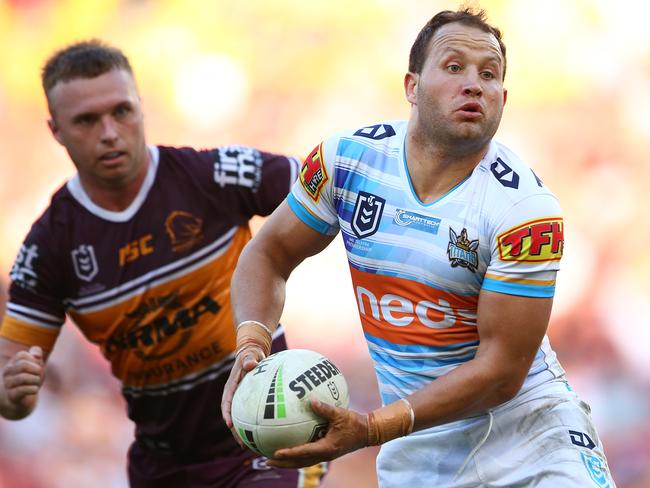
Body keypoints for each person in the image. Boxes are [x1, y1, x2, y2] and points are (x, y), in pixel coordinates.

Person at [222, 8, 616, 487]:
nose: (473, 84)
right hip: (419, 457)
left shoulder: (525, 211)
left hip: (533, 445)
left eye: (488, 75)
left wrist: (371, 428)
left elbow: (500, 372)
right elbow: (268, 254)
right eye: (454, 67)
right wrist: (251, 343)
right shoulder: (345, 162)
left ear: (502, 98)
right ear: (411, 86)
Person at [0, 40, 328, 488]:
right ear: (56, 130)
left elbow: (331, 185)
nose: (110, 132)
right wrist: (13, 393)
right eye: (87, 120)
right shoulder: (49, 247)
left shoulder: (215, 175)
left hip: (267, 435)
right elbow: (11, 379)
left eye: (121, 111)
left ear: (141, 107)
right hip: (164, 465)